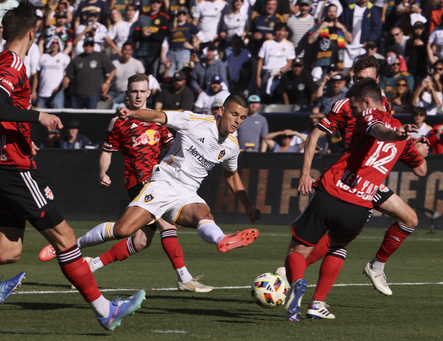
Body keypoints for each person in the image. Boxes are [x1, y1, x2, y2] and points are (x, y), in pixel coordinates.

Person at [0, 0, 144, 329]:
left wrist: (22, 134)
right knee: (65, 238)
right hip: (14, 170)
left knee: (8, 250)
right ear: (33, 33)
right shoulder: (11, 62)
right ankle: (105, 310)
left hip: (9, 161)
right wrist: (39, 117)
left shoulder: (8, 62)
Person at [40, 73, 213, 292]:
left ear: (149, 93)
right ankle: (184, 278)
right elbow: (107, 151)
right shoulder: (118, 122)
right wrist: (103, 172)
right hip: (139, 182)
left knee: (140, 241)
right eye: (134, 91)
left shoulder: (158, 120)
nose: (138, 95)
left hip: (161, 181)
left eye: (142, 91)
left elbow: (174, 148)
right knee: (166, 224)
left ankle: (89, 262)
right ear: (127, 93)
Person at [52, 95, 260, 271]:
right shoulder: (193, 120)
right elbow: (159, 116)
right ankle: (73, 245)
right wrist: (132, 114)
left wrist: (248, 205)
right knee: (122, 231)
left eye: (242, 117)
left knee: (203, 214)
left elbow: (231, 175)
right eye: (234, 114)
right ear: (222, 110)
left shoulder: (232, 146)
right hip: (163, 183)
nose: (237, 121)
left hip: (187, 193)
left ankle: (223, 239)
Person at [286, 78, 427, 322]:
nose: (355, 111)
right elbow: (421, 170)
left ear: (366, 100)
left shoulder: (370, 116)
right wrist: (413, 145)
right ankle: (317, 303)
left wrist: (394, 134)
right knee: (338, 247)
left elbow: (376, 128)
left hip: (332, 190)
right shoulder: (402, 134)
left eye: (356, 105)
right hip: (361, 204)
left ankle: (297, 282)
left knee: (297, 249)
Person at [64, 36, 116, 109]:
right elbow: (69, 74)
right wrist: (66, 79)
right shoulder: (77, 59)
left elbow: (112, 69)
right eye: (86, 45)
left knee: (91, 117)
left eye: (91, 45)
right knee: (77, 117)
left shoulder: (100, 56)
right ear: (83, 46)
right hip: (77, 94)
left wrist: (107, 82)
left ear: (93, 46)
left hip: (93, 93)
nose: (88, 47)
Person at [307, 4, 351, 83]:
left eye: (334, 11)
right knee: (317, 85)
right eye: (330, 11)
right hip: (321, 63)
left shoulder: (340, 26)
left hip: (337, 64)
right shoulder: (319, 24)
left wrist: (343, 28)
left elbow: (350, 39)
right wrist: (320, 28)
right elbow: (310, 40)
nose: (332, 13)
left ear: (337, 13)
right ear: (326, 12)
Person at [256, 22, 295, 103]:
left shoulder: (289, 45)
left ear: (285, 32)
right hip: (267, 72)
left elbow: (290, 62)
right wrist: (258, 77)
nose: (280, 32)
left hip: (282, 73)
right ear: (274, 31)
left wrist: (280, 72)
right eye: (278, 30)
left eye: (283, 30)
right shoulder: (267, 43)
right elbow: (260, 60)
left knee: (280, 95)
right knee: (264, 96)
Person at [132, 0, 169, 78]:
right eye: (153, 2)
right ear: (149, 3)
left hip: (155, 54)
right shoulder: (142, 17)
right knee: (140, 78)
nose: (155, 4)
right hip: (141, 53)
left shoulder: (164, 17)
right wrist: (143, 34)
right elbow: (134, 36)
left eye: (158, 2)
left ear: (161, 4)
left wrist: (151, 34)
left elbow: (163, 37)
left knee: (153, 79)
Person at [341, 0, 382, 71]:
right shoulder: (349, 8)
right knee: (346, 71)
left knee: (360, 69)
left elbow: (377, 28)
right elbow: (342, 25)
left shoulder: (373, 10)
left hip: (363, 47)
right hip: (348, 46)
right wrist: (342, 40)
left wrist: (369, 41)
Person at [31, 36, 70, 109]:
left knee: (58, 116)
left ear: (59, 45)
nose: (54, 44)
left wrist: (60, 86)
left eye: (57, 43)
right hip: (42, 94)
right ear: (49, 44)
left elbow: (67, 75)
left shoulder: (65, 58)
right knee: (40, 117)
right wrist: (33, 91)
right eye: (52, 42)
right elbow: (37, 75)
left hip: (57, 94)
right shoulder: (43, 57)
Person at [161, 6, 200, 76]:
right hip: (171, 52)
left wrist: (192, 46)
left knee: (181, 74)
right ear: (177, 15)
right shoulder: (171, 26)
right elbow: (166, 41)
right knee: (169, 74)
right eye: (180, 14)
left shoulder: (189, 25)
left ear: (186, 15)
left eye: (184, 14)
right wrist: (163, 54)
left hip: (183, 52)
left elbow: (201, 36)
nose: (182, 15)